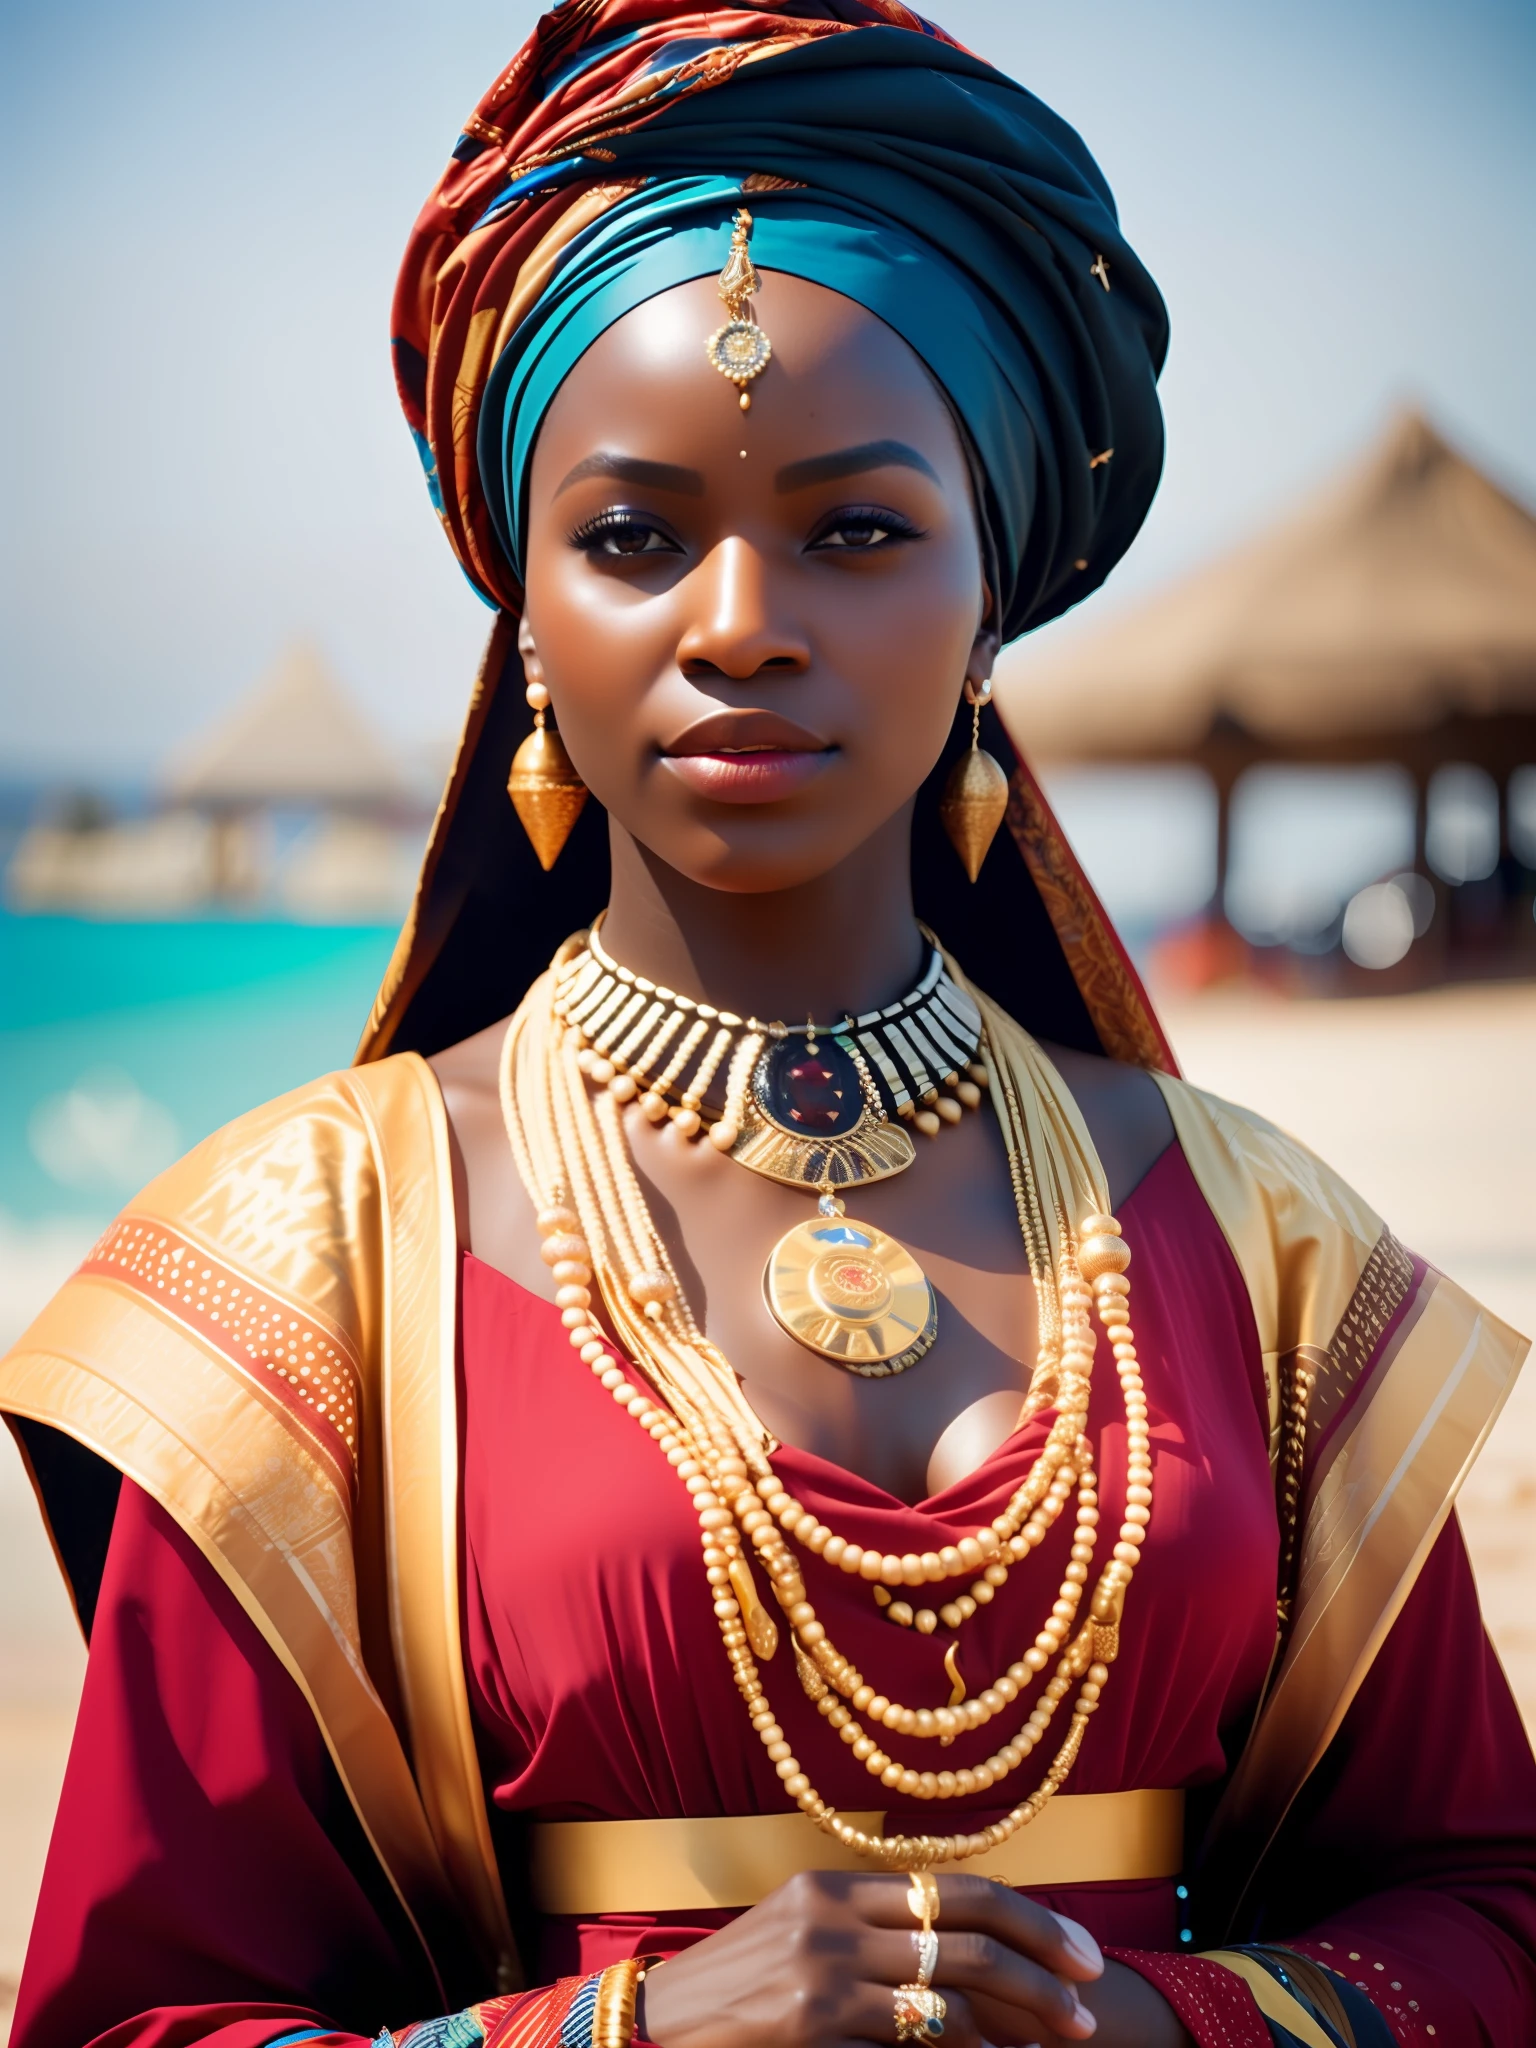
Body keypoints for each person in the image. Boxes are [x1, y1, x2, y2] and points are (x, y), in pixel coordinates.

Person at [4, 6, 1532, 2046]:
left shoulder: (1258, 1242)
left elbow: (1491, 1913)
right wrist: (621, 2032)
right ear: (524, 611)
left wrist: (1163, 2020)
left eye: (860, 528)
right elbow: (128, 2024)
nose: (739, 620)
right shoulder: (310, 1263)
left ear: (991, 594)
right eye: (635, 537)